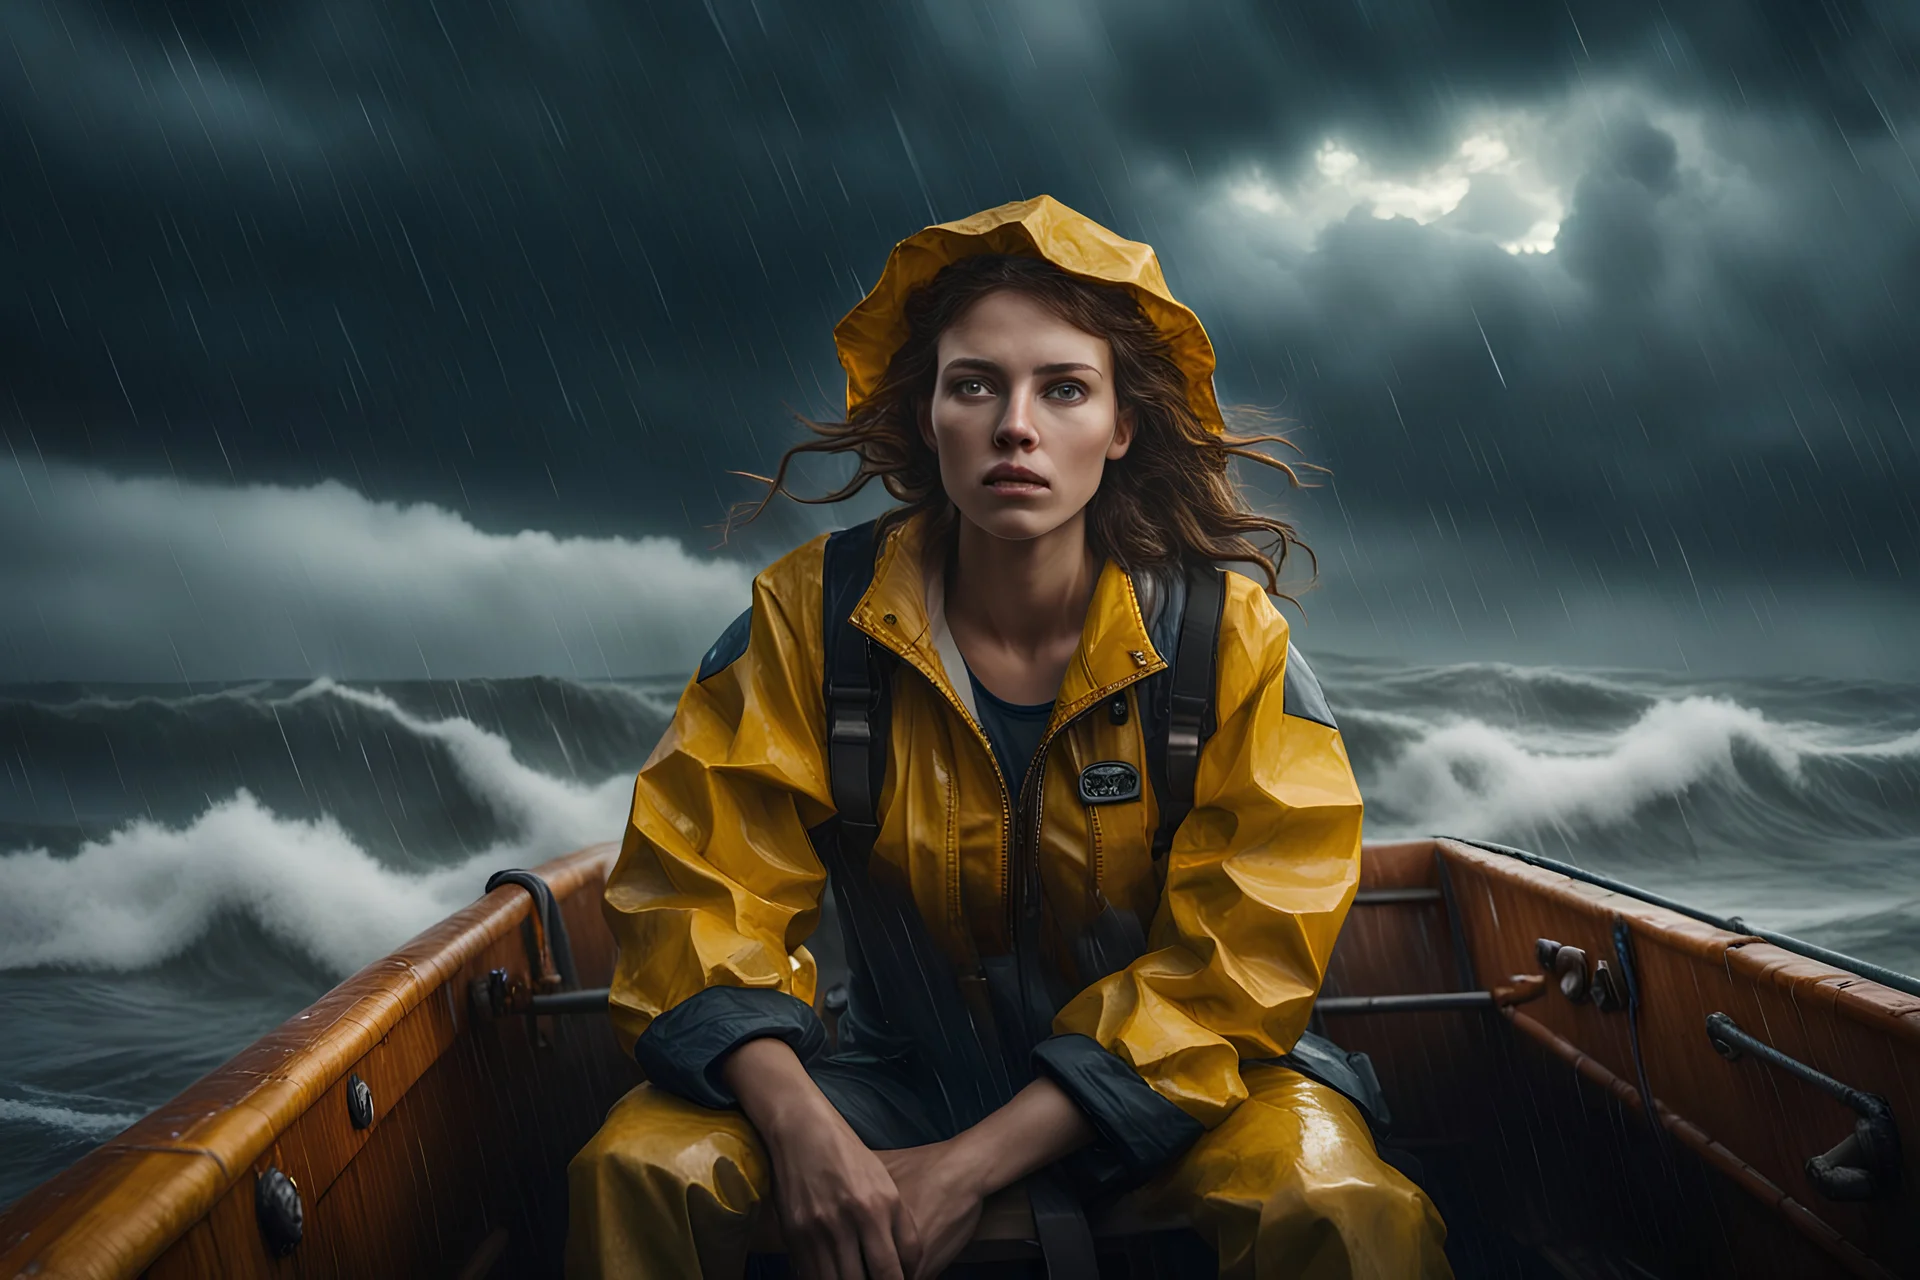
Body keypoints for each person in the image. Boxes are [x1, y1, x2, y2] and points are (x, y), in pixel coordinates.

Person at [567, 195, 1451, 1280]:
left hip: (1175, 1094)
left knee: (1346, 1202)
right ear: (927, 410)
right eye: (974, 383)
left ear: (1120, 425)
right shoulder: (809, 619)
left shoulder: (1228, 643)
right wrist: (803, 1126)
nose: (1014, 425)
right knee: (642, 1165)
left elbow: (1241, 962)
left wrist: (972, 1166)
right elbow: (695, 889)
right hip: (888, 1083)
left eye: (1063, 387)